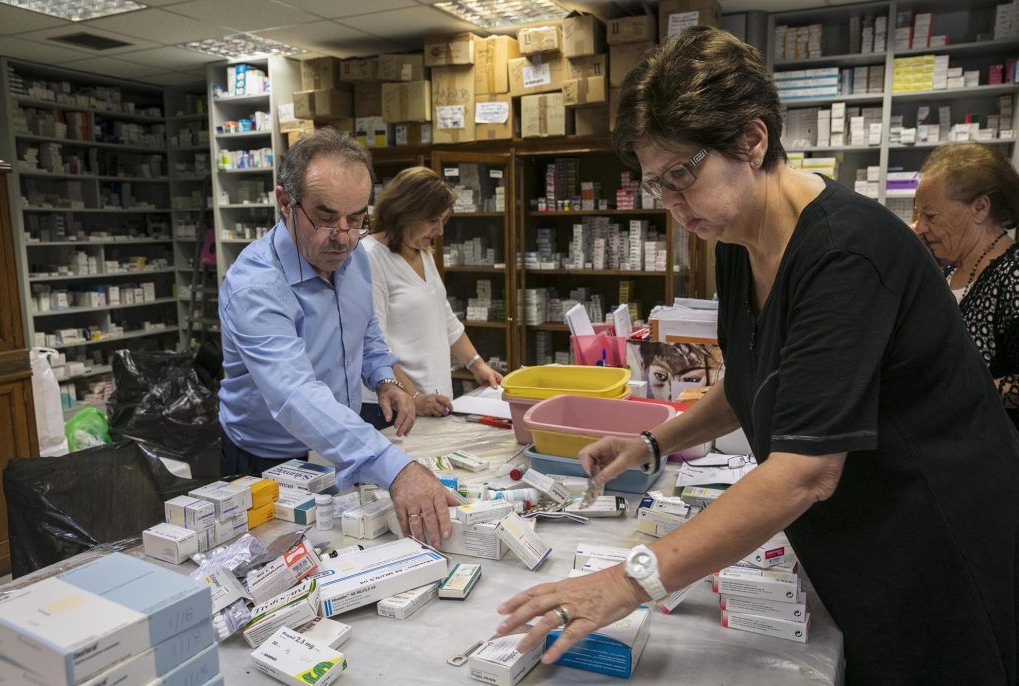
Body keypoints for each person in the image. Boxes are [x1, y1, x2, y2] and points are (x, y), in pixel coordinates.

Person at [496, 27, 1019, 685]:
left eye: (682, 175)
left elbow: (806, 472)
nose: (672, 205)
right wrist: (654, 443)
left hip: (938, 543)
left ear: (752, 140)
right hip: (859, 538)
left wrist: (630, 581)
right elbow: (754, 374)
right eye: (656, 184)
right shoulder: (738, 240)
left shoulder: (845, 254)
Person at [218, 128, 458, 546]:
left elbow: (366, 329)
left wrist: (384, 378)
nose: (344, 237)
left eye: (357, 219)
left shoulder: (353, 257)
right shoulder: (256, 287)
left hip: (337, 444)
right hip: (268, 462)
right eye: (326, 218)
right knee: (279, 570)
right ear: (285, 203)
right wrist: (396, 468)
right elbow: (295, 395)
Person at [359, 167, 502, 426]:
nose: (440, 231)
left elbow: (445, 319)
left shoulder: (423, 253)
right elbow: (374, 345)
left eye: (443, 221)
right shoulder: (370, 257)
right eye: (433, 220)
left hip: (433, 401)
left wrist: (477, 365)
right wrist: (413, 397)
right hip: (393, 407)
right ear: (404, 212)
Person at [913, 142, 1019, 428]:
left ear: (980, 208)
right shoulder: (947, 274)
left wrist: (961, 392)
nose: (920, 227)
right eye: (918, 215)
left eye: (930, 216)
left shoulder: (1012, 276)